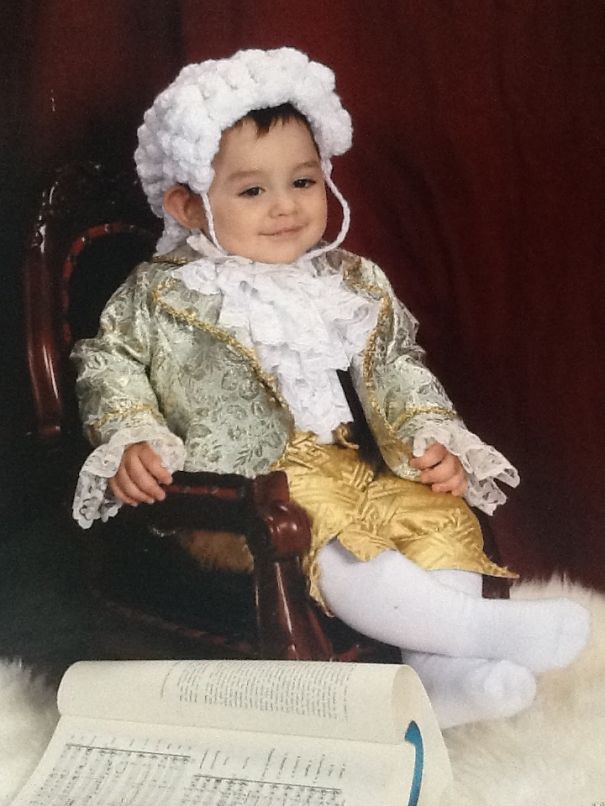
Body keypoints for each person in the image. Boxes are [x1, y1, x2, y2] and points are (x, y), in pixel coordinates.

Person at [71, 47, 589, 728]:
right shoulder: (162, 294)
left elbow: (398, 364)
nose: (285, 207)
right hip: (238, 480)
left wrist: (428, 432)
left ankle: (437, 680)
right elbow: (107, 363)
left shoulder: (346, 281)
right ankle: (471, 631)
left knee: (434, 510)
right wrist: (133, 433)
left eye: (303, 182)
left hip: (349, 460)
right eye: (253, 190)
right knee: (328, 530)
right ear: (188, 205)